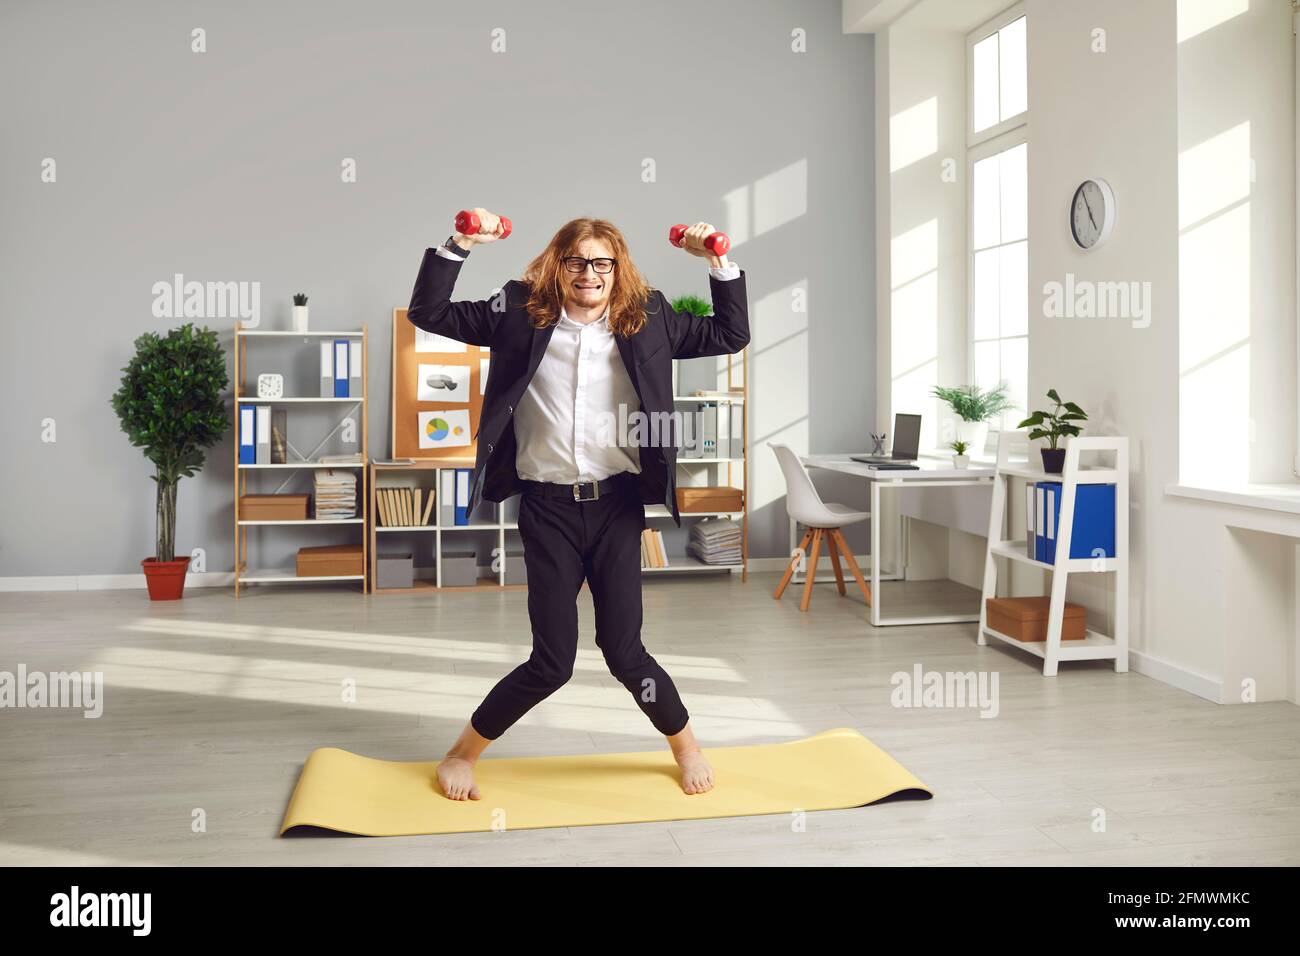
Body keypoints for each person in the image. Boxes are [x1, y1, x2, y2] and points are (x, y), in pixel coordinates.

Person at [405, 209, 749, 799]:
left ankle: (687, 747)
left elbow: (729, 334)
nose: (589, 272)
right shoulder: (517, 313)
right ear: (557, 266)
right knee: (552, 661)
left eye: (601, 263)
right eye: (576, 261)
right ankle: (460, 756)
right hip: (547, 508)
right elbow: (429, 313)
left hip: (617, 506)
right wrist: (461, 242)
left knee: (625, 651)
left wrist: (718, 261)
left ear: (617, 271)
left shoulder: (651, 318)